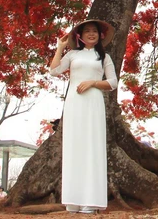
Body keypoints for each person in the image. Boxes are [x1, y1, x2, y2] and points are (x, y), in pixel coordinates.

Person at [49, 19, 118, 214]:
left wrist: (94, 83)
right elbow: (54, 71)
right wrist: (59, 48)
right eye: (87, 31)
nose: (91, 34)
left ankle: (91, 200)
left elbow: (113, 82)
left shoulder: (103, 57)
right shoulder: (72, 54)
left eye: (94, 31)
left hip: (93, 104)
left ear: (100, 35)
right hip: (74, 103)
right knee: (74, 147)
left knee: (92, 147)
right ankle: (73, 198)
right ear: (79, 36)